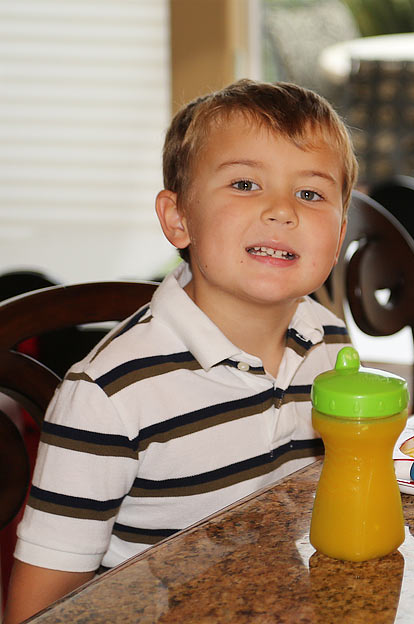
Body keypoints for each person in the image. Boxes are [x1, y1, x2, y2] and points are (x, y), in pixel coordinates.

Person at [4, 79, 358, 622]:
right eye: (245, 184)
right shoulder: (109, 395)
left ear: (338, 236)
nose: (282, 210)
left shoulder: (329, 344)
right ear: (178, 219)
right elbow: (38, 608)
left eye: (310, 194)